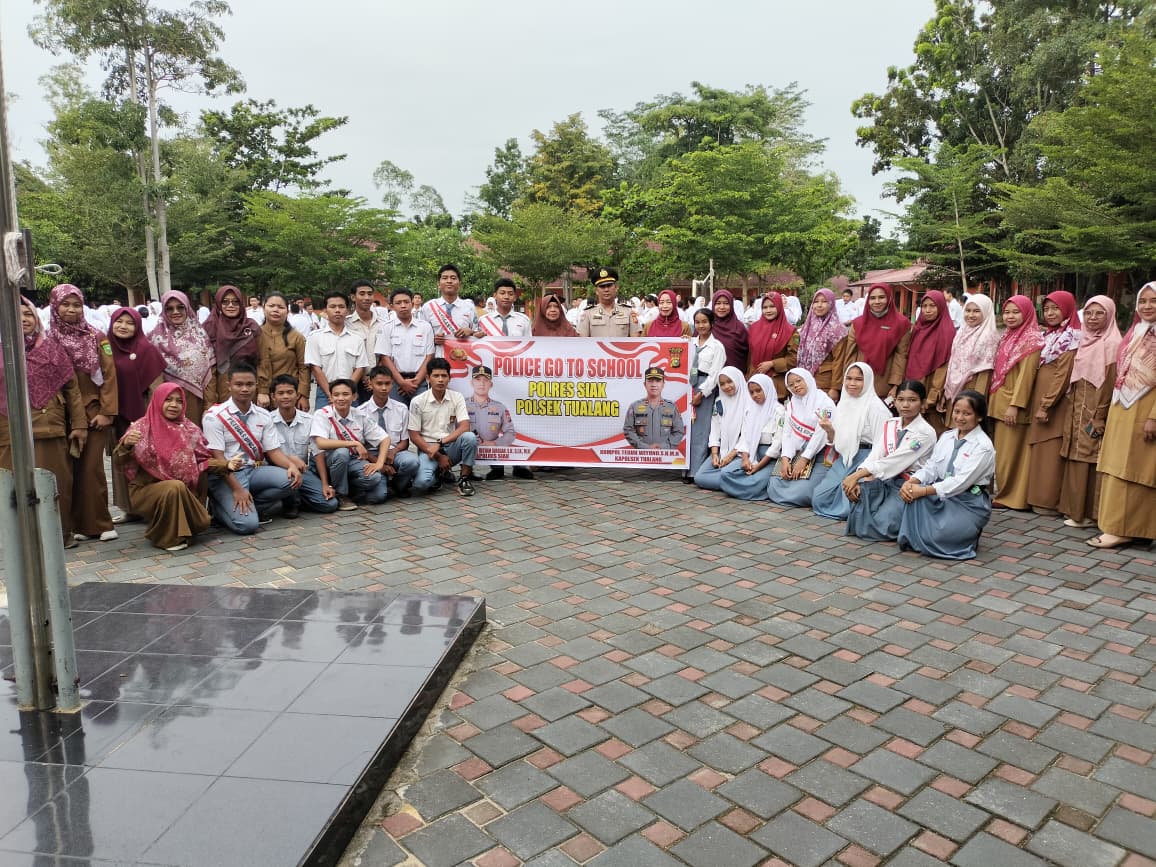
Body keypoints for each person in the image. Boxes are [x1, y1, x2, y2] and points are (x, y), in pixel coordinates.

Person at [0, 297, 87, 546]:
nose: (23, 319)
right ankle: (19, 542)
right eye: (16, 314)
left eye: (28, 314)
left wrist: (79, 424)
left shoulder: (51, 349)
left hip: (49, 428)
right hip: (8, 431)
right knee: (12, 488)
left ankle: (59, 536)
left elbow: (72, 389)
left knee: (55, 485)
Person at [114, 384, 236, 552]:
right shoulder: (141, 427)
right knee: (174, 487)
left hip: (183, 492)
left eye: (179, 401)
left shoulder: (189, 430)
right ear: (158, 401)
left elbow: (202, 461)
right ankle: (167, 539)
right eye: (168, 400)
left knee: (180, 493)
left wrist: (226, 464)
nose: (174, 405)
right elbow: (119, 462)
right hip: (145, 489)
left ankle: (182, 529)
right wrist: (126, 445)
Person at [48, 284, 120, 543]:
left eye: (76, 305)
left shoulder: (96, 337)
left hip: (93, 411)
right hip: (62, 413)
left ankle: (100, 523)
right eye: (65, 304)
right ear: (54, 306)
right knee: (70, 471)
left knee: (91, 469)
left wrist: (107, 412)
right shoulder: (47, 339)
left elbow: (109, 375)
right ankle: (76, 524)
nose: (71, 309)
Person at [1089, 282, 1156, 548]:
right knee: (1117, 467)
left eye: (1154, 301)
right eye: (1143, 301)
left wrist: (1154, 417)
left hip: (1145, 411)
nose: (1147, 306)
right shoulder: (1136, 332)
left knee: (1135, 470)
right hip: (1123, 409)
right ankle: (1120, 526)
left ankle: (1125, 529)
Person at [897, 390, 996, 560]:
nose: (960, 417)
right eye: (957, 412)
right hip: (940, 495)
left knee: (938, 537)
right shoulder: (947, 436)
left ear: (979, 417)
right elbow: (932, 467)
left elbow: (961, 482)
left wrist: (924, 490)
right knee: (912, 498)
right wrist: (913, 481)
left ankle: (966, 533)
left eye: (967, 414)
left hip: (967, 501)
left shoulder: (983, 447)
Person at [202, 363, 299, 534]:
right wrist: (237, 489)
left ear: (256, 385)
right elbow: (218, 458)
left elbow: (273, 451)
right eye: (239, 384)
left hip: (253, 470)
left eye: (249, 384)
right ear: (229, 386)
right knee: (247, 526)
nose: (245, 389)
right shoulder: (215, 416)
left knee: (292, 479)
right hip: (226, 475)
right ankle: (219, 508)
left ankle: (249, 506)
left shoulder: (263, 415)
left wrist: (291, 466)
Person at [844, 380, 936, 541]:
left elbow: (894, 461)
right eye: (901, 399)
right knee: (857, 515)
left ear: (922, 403)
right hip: (884, 478)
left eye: (912, 400)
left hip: (907, 484)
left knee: (881, 527)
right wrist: (860, 476)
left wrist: (856, 476)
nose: (905, 405)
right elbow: (876, 453)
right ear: (895, 401)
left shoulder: (925, 432)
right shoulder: (891, 424)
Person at [1057, 296, 1121, 528]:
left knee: (1090, 457)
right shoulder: (1084, 339)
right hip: (1078, 405)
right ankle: (1075, 510)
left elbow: (1109, 383)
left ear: (1110, 315)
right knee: (1075, 454)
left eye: (1099, 313)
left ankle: (1089, 514)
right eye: (1089, 313)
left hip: (1094, 407)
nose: (1093, 318)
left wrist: (1099, 415)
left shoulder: (1112, 344)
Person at [106, 306, 167, 524]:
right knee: (121, 459)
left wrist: (150, 419)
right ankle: (129, 508)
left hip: (142, 413)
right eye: (119, 322)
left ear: (138, 326)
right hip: (116, 415)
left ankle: (150, 507)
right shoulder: (106, 348)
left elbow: (156, 388)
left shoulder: (146, 349)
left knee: (146, 461)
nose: (123, 326)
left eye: (130, 323)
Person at [812, 362, 892, 520]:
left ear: (867, 381)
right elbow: (837, 442)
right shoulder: (844, 403)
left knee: (848, 506)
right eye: (848, 378)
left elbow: (881, 446)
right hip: (845, 457)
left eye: (858, 379)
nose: (852, 383)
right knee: (819, 498)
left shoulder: (876, 408)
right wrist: (829, 430)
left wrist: (869, 473)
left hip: (867, 458)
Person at [1026, 291, 1081, 516]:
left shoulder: (1071, 337)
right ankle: (1037, 497)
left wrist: (1046, 404)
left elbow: (1063, 375)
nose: (1050, 313)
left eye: (1055, 308)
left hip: (1054, 403)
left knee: (1050, 448)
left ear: (1067, 309)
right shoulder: (1051, 334)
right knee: (1040, 448)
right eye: (1047, 309)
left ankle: (1048, 501)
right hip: (1042, 399)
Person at [990, 295, 1043, 510]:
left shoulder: (1031, 340)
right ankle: (1009, 495)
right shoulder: (1008, 336)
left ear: (1027, 313)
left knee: (1010, 455)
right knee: (1005, 453)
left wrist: (1015, 405)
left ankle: (1010, 497)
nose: (1010, 316)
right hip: (1000, 400)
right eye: (1007, 312)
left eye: (1016, 312)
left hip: (1012, 405)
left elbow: (1026, 376)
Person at [309, 379, 389, 510]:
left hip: (352, 460)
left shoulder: (360, 415)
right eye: (336, 395)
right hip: (328, 461)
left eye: (345, 394)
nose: (341, 398)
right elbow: (320, 443)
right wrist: (353, 443)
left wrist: (379, 463)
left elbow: (385, 438)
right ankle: (342, 495)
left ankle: (349, 489)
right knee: (342, 452)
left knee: (374, 477)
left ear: (354, 396)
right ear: (331, 397)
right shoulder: (322, 414)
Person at [767, 368, 837, 507]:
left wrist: (805, 459)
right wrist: (785, 458)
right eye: (791, 384)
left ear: (808, 379)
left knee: (802, 493)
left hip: (819, 454)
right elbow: (787, 433)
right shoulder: (792, 404)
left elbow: (821, 434)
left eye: (798, 381)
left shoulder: (824, 402)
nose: (796, 386)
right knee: (774, 485)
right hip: (796, 452)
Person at [268, 374, 337, 517]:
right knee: (287, 480)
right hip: (277, 471)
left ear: (297, 395)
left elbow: (318, 453)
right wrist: (290, 460)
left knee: (330, 504)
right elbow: (266, 453)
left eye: (290, 392)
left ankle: (299, 498)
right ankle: (291, 502)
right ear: (273, 396)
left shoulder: (309, 420)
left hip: (303, 471)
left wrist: (325, 484)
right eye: (281, 393)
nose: (286, 396)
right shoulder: (266, 421)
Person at [408, 357, 478, 496]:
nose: (440, 380)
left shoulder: (457, 397)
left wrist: (440, 443)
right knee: (422, 484)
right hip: (428, 449)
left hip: (449, 446)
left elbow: (465, 427)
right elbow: (414, 436)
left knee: (470, 438)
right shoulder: (417, 401)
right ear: (428, 378)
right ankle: (439, 474)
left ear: (449, 378)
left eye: (444, 376)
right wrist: (439, 456)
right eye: (436, 376)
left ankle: (464, 479)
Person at [148, 290, 215, 425]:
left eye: (180, 307)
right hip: (166, 404)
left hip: (196, 402)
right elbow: (153, 378)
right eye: (169, 308)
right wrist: (161, 404)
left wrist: (209, 405)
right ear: (163, 311)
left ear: (187, 308)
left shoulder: (200, 336)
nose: (175, 312)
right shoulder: (154, 339)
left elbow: (211, 374)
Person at [354, 366, 420, 497]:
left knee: (412, 461)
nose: (384, 388)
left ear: (392, 384)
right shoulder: (360, 412)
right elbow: (360, 447)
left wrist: (393, 452)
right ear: (370, 383)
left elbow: (405, 442)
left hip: (394, 453)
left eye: (387, 383)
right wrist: (379, 463)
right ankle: (380, 482)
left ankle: (398, 485)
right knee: (378, 497)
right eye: (379, 383)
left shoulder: (401, 408)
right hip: (371, 455)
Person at [717, 373, 784, 500]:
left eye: (758, 391)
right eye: (751, 392)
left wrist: (758, 466)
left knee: (754, 482)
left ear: (767, 389)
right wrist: (745, 460)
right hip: (752, 453)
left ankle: (753, 487)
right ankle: (749, 487)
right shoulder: (750, 410)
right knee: (726, 473)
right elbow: (745, 438)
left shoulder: (779, 411)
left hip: (770, 459)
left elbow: (777, 444)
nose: (755, 395)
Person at [900, 290, 956, 435]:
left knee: (931, 432)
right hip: (913, 386)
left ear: (941, 306)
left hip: (930, 388)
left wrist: (931, 397)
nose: (928, 310)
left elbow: (943, 366)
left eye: (932, 306)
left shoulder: (946, 331)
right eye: (924, 306)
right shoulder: (918, 328)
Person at [304, 290, 370, 409]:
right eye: (333, 307)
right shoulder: (315, 337)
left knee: (352, 421)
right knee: (323, 421)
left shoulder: (357, 338)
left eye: (341, 306)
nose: (337, 310)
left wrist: (347, 391)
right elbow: (315, 368)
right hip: (325, 392)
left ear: (347, 310)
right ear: (325, 310)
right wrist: (331, 394)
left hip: (350, 392)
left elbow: (360, 367)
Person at [939, 294, 999, 422]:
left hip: (971, 389)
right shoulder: (962, 331)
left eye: (976, 311)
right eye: (968, 310)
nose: (971, 315)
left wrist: (976, 402)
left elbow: (985, 373)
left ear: (986, 312)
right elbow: (953, 363)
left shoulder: (988, 336)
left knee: (966, 424)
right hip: (954, 388)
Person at [466, 363, 529, 480]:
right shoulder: (462, 405)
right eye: (478, 379)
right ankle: (466, 471)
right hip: (469, 446)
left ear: (491, 384)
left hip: (492, 449)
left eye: (486, 380)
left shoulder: (499, 407)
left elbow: (510, 433)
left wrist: (494, 443)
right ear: (472, 383)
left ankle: (510, 468)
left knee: (519, 448)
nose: (482, 383)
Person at [203, 284, 262, 406]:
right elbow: (207, 369)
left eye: (235, 302)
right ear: (218, 303)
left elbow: (262, 360)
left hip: (248, 386)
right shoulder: (209, 327)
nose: (230, 305)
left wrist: (263, 391)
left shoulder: (251, 327)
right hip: (221, 387)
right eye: (225, 302)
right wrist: (210, 402)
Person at [685, 308, 726, 483]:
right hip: (687, 385)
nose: (701, 325)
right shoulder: (689, 343)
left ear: (711, 324)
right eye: (698, 322)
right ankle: (683, 468)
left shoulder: (717, 347)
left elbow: (715, 374)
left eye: (704, 322)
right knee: (686, 429)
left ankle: (695, 471)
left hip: (704, 388)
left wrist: (702, 393)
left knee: (700, 431)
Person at [375, 287, 435, 405]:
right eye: (398, 303)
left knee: (421, 415)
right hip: (395, 383)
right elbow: (385, 357)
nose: (403, 306)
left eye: (406, 302)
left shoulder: (425, 327)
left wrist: (416, 381)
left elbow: (429, 356)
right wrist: (402, 382)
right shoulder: (386, 327)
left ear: (412, 303)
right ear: (392, 306)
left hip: (420, 382)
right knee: (396, 415)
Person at [693, 367, 748, 491]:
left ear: (738, 379)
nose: (726, 386)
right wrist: (714, 454)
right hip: (722, 452)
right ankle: (735, 481)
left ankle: (730, 478)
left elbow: (747, 435)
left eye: (730, 381)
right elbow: (715, 429)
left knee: (724, 474)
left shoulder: (748, 402)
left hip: (741, 454)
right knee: (700, 478)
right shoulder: (719, 401)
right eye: (722, 384)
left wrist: (730, 456)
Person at [256, 292, 309, 411]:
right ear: (263, 308)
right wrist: (262, 391)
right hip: (261, 396)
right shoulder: (255, 335)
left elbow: (304, 367)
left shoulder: (296, 337)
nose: (276, 310)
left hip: (288, 396)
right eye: (271, 306)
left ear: (287, 311)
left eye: (280, 307)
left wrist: (303, 395)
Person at [345, 280, 392, 403]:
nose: (366, 297)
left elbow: (386, 353)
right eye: (362, 294)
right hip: (352, 379)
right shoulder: (346, 324)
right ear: (353, 297)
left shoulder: (384, 324)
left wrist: (374, 377)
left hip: (378, 380)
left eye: (370, 294)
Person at [747, 292, 799, 399]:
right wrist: (748, 377)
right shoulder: (753, 328)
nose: (768, 310)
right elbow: (749, 357)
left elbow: (794, 359)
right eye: (765, 307)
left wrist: (772, 364)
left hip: (776, 385)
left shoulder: (791, 331)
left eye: (772, 306)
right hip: (755, 383)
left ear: (779, 306)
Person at [797, 288, 847, 394]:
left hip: (825, 385)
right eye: (816, 301)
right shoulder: (806, 327)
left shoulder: (838, 330)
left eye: (824, 301)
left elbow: (839, 361)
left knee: (823, 407)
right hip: (804, 382)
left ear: (831, 304)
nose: (819, 305)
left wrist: (835, 388)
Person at [423, 264, 480, 356]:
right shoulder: (428, 307)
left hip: (463, 357)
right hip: (437, 359)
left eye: (453, 278)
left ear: (459, 284)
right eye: (445, 278)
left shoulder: (469, 306)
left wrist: (471, 332)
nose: (449, 281)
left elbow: (478, 334)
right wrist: (433, 340)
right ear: (438, 284)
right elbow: (422, 336)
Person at [622, 367, 685, 449]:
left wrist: (664, 447)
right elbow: (628, 430)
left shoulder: (671, 407)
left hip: (665, 454)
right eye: (650, 381)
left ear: (663, 384)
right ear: (645, 384)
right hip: (642, 454)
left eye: (658, 381)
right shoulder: (635, 407)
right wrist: (644, 447)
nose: (654, 385)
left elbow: (679, 431)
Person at [578, 268, 641, 337]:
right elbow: (582, 340)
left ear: (616, 287)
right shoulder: (588, 314)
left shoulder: (628, 312)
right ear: (596, 291)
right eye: (602, 286)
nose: (606, 289)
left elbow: (636, 339)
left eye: (609, 285)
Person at [708, 289, 749, 370]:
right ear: (713, 305)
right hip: (709, 374)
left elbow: (748, 353)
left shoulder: (739, 327)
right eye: (718, 303)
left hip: (733, 375)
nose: (722, 307)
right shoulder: (706, 326)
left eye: (726, 303)